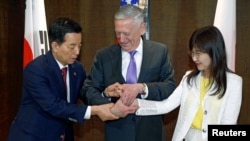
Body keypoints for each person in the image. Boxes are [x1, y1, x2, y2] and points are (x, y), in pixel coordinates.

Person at [7, 17, 118, 141]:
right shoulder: (36, 69)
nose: (77, 51)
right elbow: (53, 105)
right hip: (34, 136)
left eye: (79, 45)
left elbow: (85, 91)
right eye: (71, 47)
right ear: (55, 46)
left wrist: (105, 93)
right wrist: (94, 110)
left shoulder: (77, 68)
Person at [80, 4, 176, 141]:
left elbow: (170, 86)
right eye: (118, 33)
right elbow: (87, 89)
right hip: (117, 133)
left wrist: (141, 88)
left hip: (151, 133)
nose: (121, 39)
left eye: (126, 33)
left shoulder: (159, 52)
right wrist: (107, 99)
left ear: (142, 28)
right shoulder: (104, 56)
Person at [135, 25, 243, 141]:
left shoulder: (234, 83)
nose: (194, 58)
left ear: (214, 51)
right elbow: (167, 105)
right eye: (192, 53)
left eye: (199, 53)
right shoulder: (189, 78)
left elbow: (228, 124)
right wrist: (136, 104)